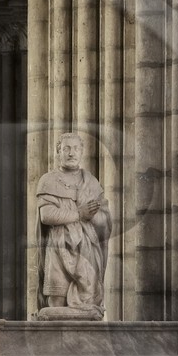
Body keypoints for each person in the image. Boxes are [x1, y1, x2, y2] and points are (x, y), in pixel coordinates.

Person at [35, 131, 111, 319]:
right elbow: (47, 215)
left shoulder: (91, 182)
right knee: (56, 297)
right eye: (66, 148)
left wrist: (94, 216)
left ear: (81, 152)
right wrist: (80, 213)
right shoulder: (48, 180)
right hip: (58, 246)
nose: (71, 153)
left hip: (86, 248)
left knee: (89, 299)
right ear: (58, 152)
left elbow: (104, 221)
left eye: (76, 148)